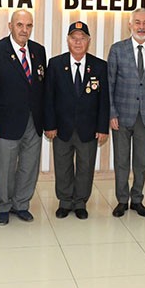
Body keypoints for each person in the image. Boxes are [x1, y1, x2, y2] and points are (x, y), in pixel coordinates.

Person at [0, 9, 47, 225]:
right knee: (5, 168)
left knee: (29, 166)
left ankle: (21, 204)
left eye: (28, 25)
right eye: (20, 25)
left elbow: (42, 88)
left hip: (34, 122)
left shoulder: (39, 51)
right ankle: (3, 206)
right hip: (5, 122)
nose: (24, 30)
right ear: (10, 26)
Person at [44, 21, 110, 219]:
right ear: (68, 40)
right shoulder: (56, 64)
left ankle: (80, 202)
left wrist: (102, 128)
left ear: (89, 41)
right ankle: (65, 201)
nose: (78, 42)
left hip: (88, 128)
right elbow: (48, 97)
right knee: (62, 166)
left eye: (82, 38)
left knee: (85, 166)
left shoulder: (99, 66)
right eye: (74, 38)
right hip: (61, 128)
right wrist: (49, 125)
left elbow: (104, 100)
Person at [106, 8, 145, 218]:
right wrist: (111, 113)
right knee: (121, 161)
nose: (141, 26)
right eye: (137, 22)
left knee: (141, 162)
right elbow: (109, 83)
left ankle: (137, 199)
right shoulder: (117, 49)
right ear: (130, 25)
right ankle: (122, 200)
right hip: (121, 116)